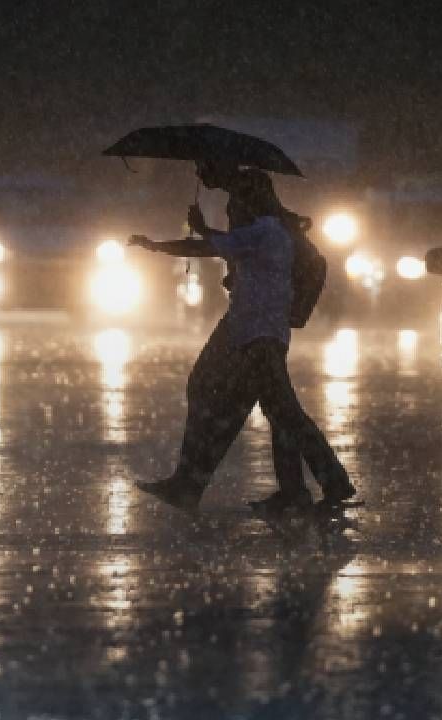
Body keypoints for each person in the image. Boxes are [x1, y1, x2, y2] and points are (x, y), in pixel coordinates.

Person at [130, 171, 356, 514]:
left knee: (277, 412)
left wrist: (158, 245)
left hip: (260, 337)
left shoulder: (265, 231)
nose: (232, 207)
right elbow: (229, 249)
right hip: (252, 333)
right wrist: (209, 234)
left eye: (236, 201)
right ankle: (293, 490)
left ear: (250, 201)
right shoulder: (267, 231)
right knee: (277, 413)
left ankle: (330, 482)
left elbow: (205, 247)